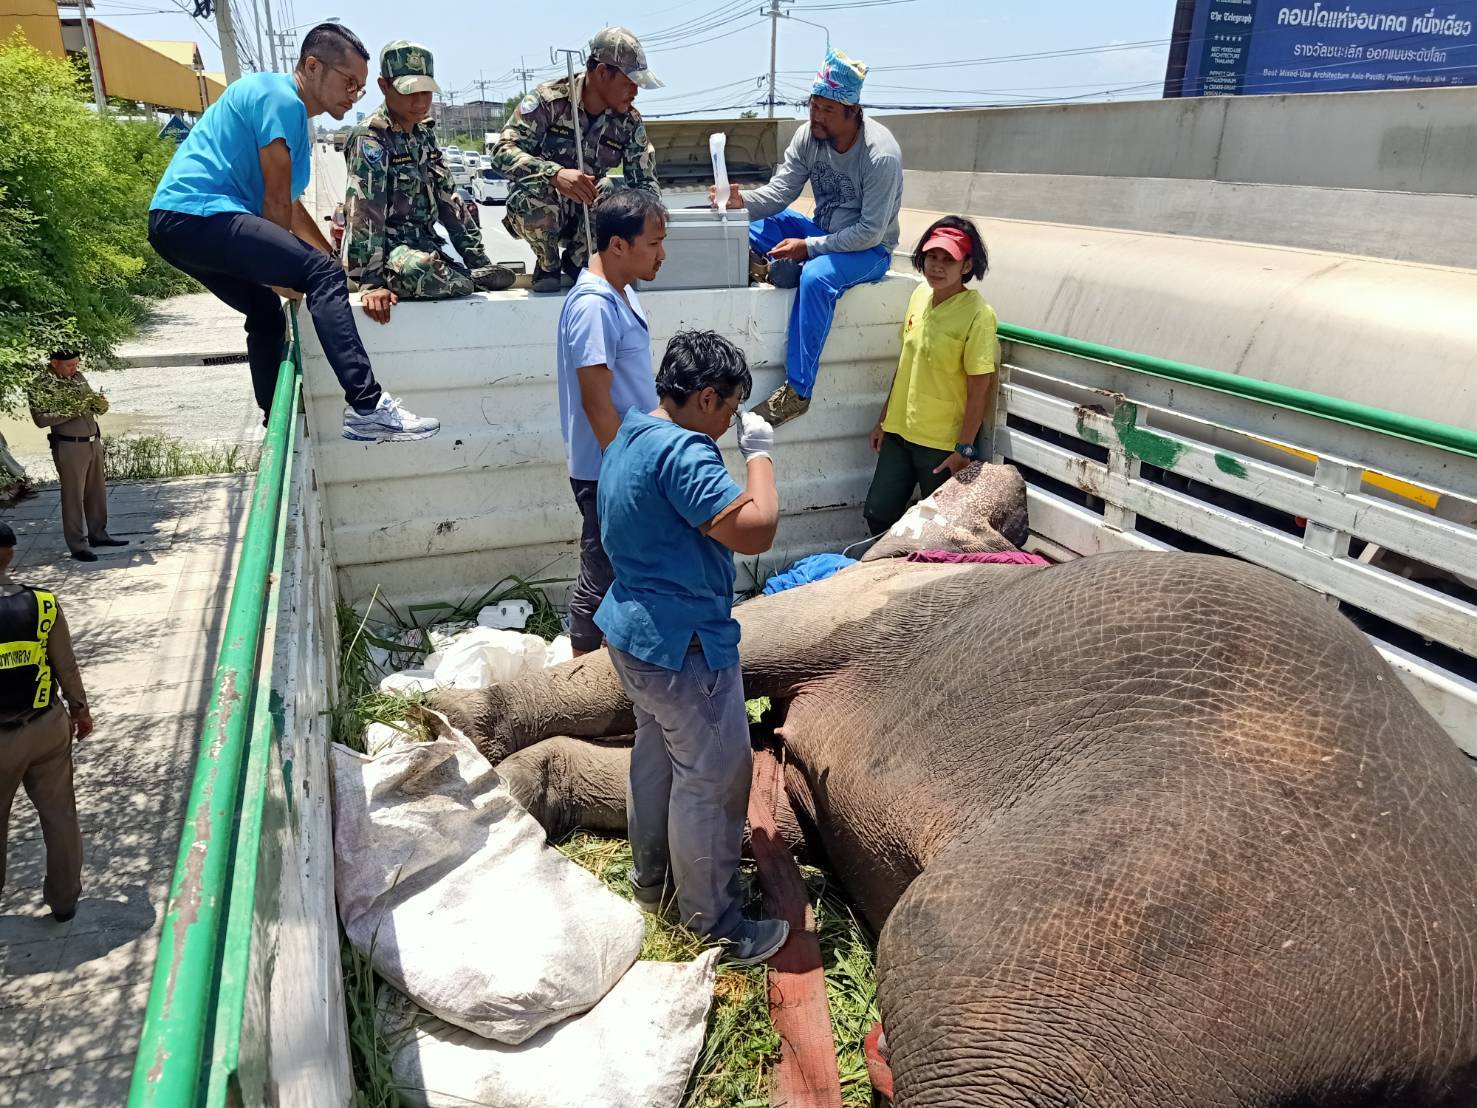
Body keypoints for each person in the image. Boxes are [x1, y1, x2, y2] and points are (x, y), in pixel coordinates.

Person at [595, 329, 788, 966]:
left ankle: (653, 885)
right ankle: (716, 926)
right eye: (731, 408)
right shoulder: (685, 454)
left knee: (655, 759)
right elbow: (755, 531)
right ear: (706, 397)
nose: (733, 420)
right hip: (686, 649)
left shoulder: (632, 433)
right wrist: (760, 456)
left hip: (633, 636)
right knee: (711, 780)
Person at [148, 23, 439, 443]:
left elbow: (291, 207)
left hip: (176, 226)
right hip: (199, 215)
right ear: (313, 65)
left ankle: (275, 425)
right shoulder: (279, 97)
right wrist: (310, 273)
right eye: (348, 82)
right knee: (319, 277)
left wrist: (330, 264)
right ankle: (367, 405)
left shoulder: (293, 122)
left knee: (266, 312)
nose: (354, 94)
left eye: (360, 87)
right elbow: (275, 210)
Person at [711, 47, 903, 428]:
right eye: (813, 105)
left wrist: (809, 248)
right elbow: (780, 193)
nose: (815, 116)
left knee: (817, 278)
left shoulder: (880, 156)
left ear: (852, 112)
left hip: (869, 249)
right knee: (754, 225)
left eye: (826, 110)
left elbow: (870, 231)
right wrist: (739, 201)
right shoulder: (809, 137)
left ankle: (798, 391)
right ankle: (774, 268)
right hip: (823, 235)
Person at [555, 189, 667, 656]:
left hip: (624, 459)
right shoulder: (594, 306)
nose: (662, 254)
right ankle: (581, 682)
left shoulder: (621, 294)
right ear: (618, 245)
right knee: (601, 574)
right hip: (608, 468)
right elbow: (597, 402)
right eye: (654, 243)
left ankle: (616, 670)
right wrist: (626, 470)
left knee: (622, 570)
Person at [341, 40, 515, 325]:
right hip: (389, 251)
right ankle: (465, 279)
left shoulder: (423, 134)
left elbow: (448, 197)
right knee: (422, 271)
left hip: (425, 244)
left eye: (426, 91)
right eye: (409, 91)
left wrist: (477, 258)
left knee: (433, 267)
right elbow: (365, 213)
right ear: (384, 86)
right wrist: (369, 283)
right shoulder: (371, 138)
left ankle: (468, 274)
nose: (420, 102)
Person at [492, 27, 662, 293]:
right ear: (603, 73)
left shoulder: (629, 121)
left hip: (590, 217)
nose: (635, 92)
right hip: (545, 208)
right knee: (532, 195)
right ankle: (547, 265)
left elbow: (645, 185)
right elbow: (502, 151)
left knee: (610, 190)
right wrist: (554, 174)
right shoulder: (549, 101)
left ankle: (579, 262)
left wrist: (653, 233)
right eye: (630, 83)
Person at [863, 217, 998, 537]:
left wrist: (964, 450)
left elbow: (979, 388)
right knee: (878, 514)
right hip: (899, 432)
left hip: (940, 444)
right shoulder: (920, 296)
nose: (937, 266)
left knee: (938, 529)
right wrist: (883, 420)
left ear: (967, 266)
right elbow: (905, 362)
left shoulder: (978, 314)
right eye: (932, 257)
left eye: (948, 259)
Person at [0, 523, 91, 924]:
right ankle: (65, 901)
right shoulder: (44, 604)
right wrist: (80, 709)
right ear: (11, 554)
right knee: (59, 815)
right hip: (47, 725)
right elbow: (65, 666)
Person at [28, 352, 128, 563]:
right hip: (69, 445)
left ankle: (98, 535)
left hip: (93, 442)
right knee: (73, 497)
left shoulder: (79, 377)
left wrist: (99, 405)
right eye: (69, 365)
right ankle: (77, 545)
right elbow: (40, 419)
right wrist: (74, 410)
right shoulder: (41, 385)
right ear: (54, 363)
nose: (74, 369)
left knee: (97, 492)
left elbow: (91, 404)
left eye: (76, 364)